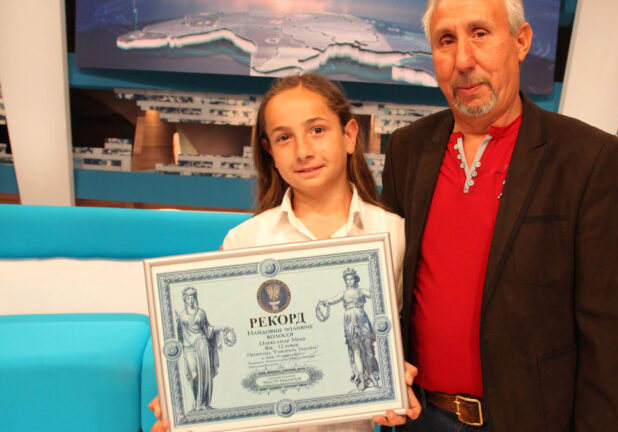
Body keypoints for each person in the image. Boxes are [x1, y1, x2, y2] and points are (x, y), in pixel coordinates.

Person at [380, 0, 618, 430]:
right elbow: (389, 289)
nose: (463, 60)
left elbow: (608, 332)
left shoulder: (585, 157)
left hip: (529, 419)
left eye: (480, 33)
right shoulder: (408, 148)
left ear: (521, 41)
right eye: (446, 40)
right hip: (422, 416)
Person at [149, 74, 421, 432]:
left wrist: (399, 380)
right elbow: (231, 357)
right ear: (270, 151)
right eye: (284, 138)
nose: (303, 151)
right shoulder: (244, 242)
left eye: (317, 130)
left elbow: (406, 344)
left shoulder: (395, 235)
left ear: (349, 135)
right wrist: (183, 398)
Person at [318, 268, 380, 391]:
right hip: (349, 321)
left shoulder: (361, 291)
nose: (349, 281)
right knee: (356, 351)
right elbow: (333, 299)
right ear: (345, 281)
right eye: (347, 279)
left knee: (369, 350)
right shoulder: (343, 293)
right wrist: (325, 301)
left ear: (355, 279)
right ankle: (362, 380)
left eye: (351, 278)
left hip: (362, 319)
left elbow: (374, 294)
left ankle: (372, 375)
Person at [176, 287, 220, 411]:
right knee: (194, 375)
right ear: (184, 299)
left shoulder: (201, 313)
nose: (190, 300)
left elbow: (208, 329)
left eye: (192, 298)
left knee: (204, 376)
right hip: (188, 347)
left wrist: (223, 328)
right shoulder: (181, 315)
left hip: (202, 343)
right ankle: (196, 400)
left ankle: (203, 403)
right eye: (188, 298)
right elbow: (178, 332)